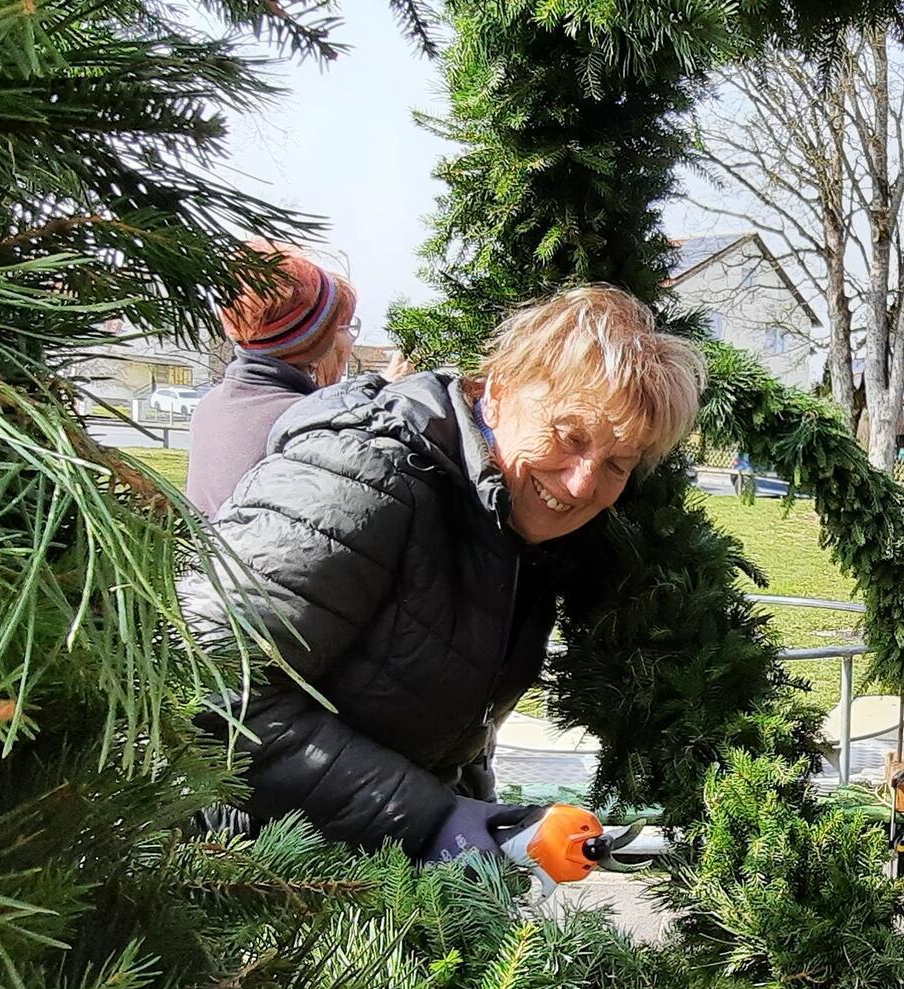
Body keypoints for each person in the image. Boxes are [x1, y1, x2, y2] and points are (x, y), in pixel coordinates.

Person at [179, 285, 705, 879]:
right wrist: (433, 823)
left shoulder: (510, 523)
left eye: (617, 464)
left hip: (364, 870)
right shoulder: (361, 477)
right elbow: (205, 691)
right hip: (239, 879)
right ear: (498, 392)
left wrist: (489, 826)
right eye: (569, 436)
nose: (583, 483)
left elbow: (454, 723)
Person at [186, 242, 359, 516]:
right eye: (341, 327)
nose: (349, 339)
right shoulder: (305, 421)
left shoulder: (210, 404)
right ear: (316, 339)